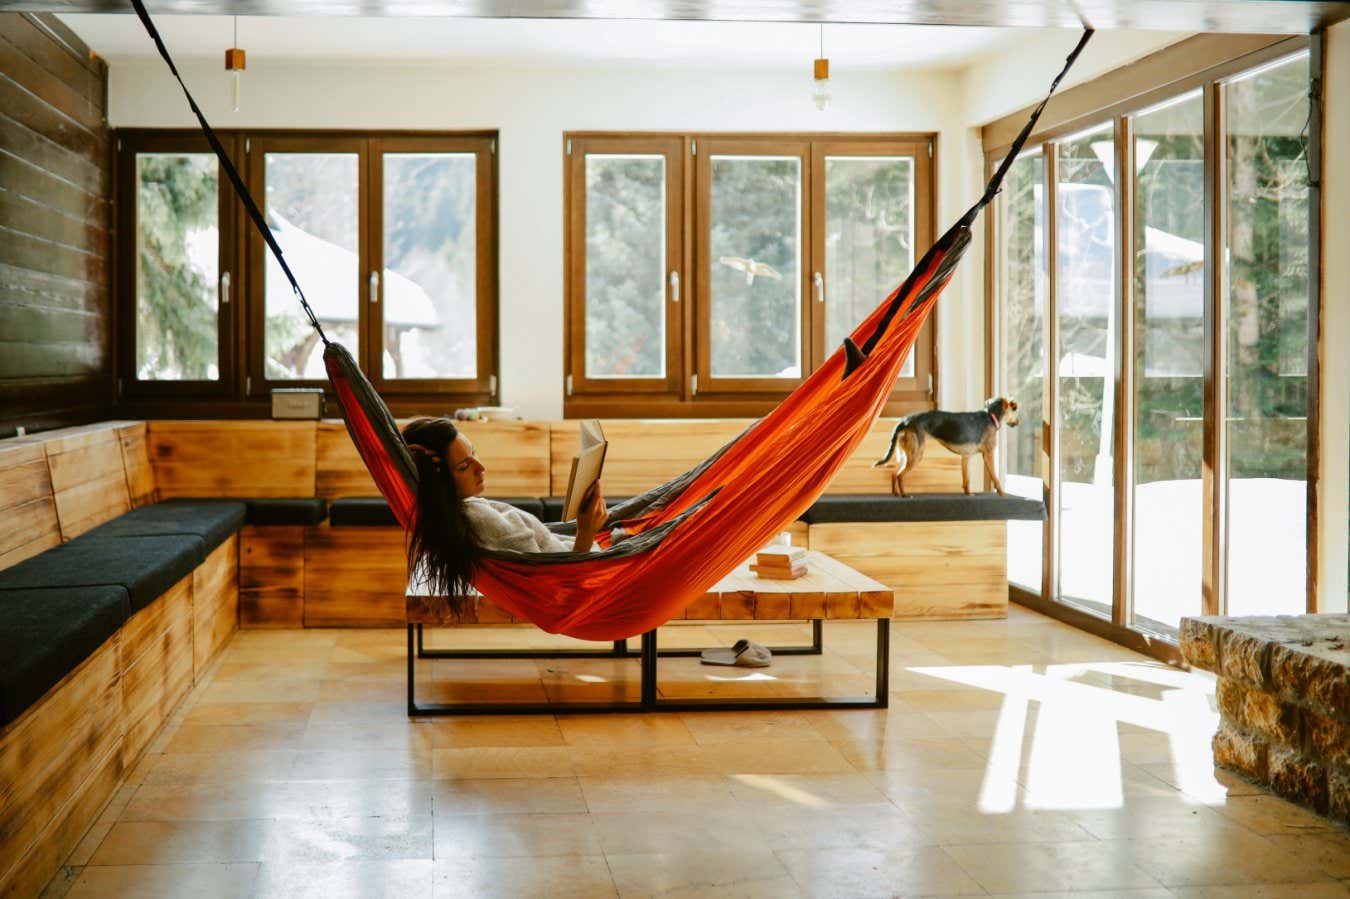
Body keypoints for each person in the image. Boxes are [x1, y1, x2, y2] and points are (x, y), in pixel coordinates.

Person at [400, 417, 607, 600]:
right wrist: (586, 531)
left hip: (583, 553)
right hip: (592, 570)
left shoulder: (460, 512)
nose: (481, 468)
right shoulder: (482, 521)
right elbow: (554, 585)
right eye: (463, 467)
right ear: (439, 482)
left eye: (474, 452)